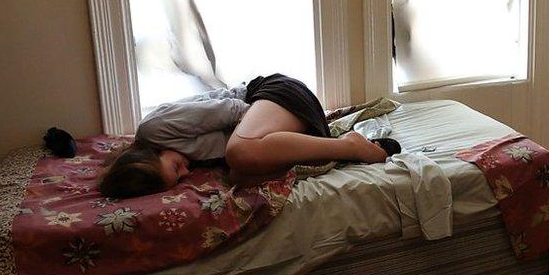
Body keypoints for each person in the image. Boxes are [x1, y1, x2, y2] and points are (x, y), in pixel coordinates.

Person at [99, 74, 387, 198]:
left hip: (274, 94)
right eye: (180, 178)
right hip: (277, 130)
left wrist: (249, 142)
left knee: (239, 154)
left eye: (176, 167)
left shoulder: (154, 129)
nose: (186, 171)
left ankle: (349, 147)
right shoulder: (179, 156)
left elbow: (232, 109)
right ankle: (315, 153)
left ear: (149, 152)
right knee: (238, 178)